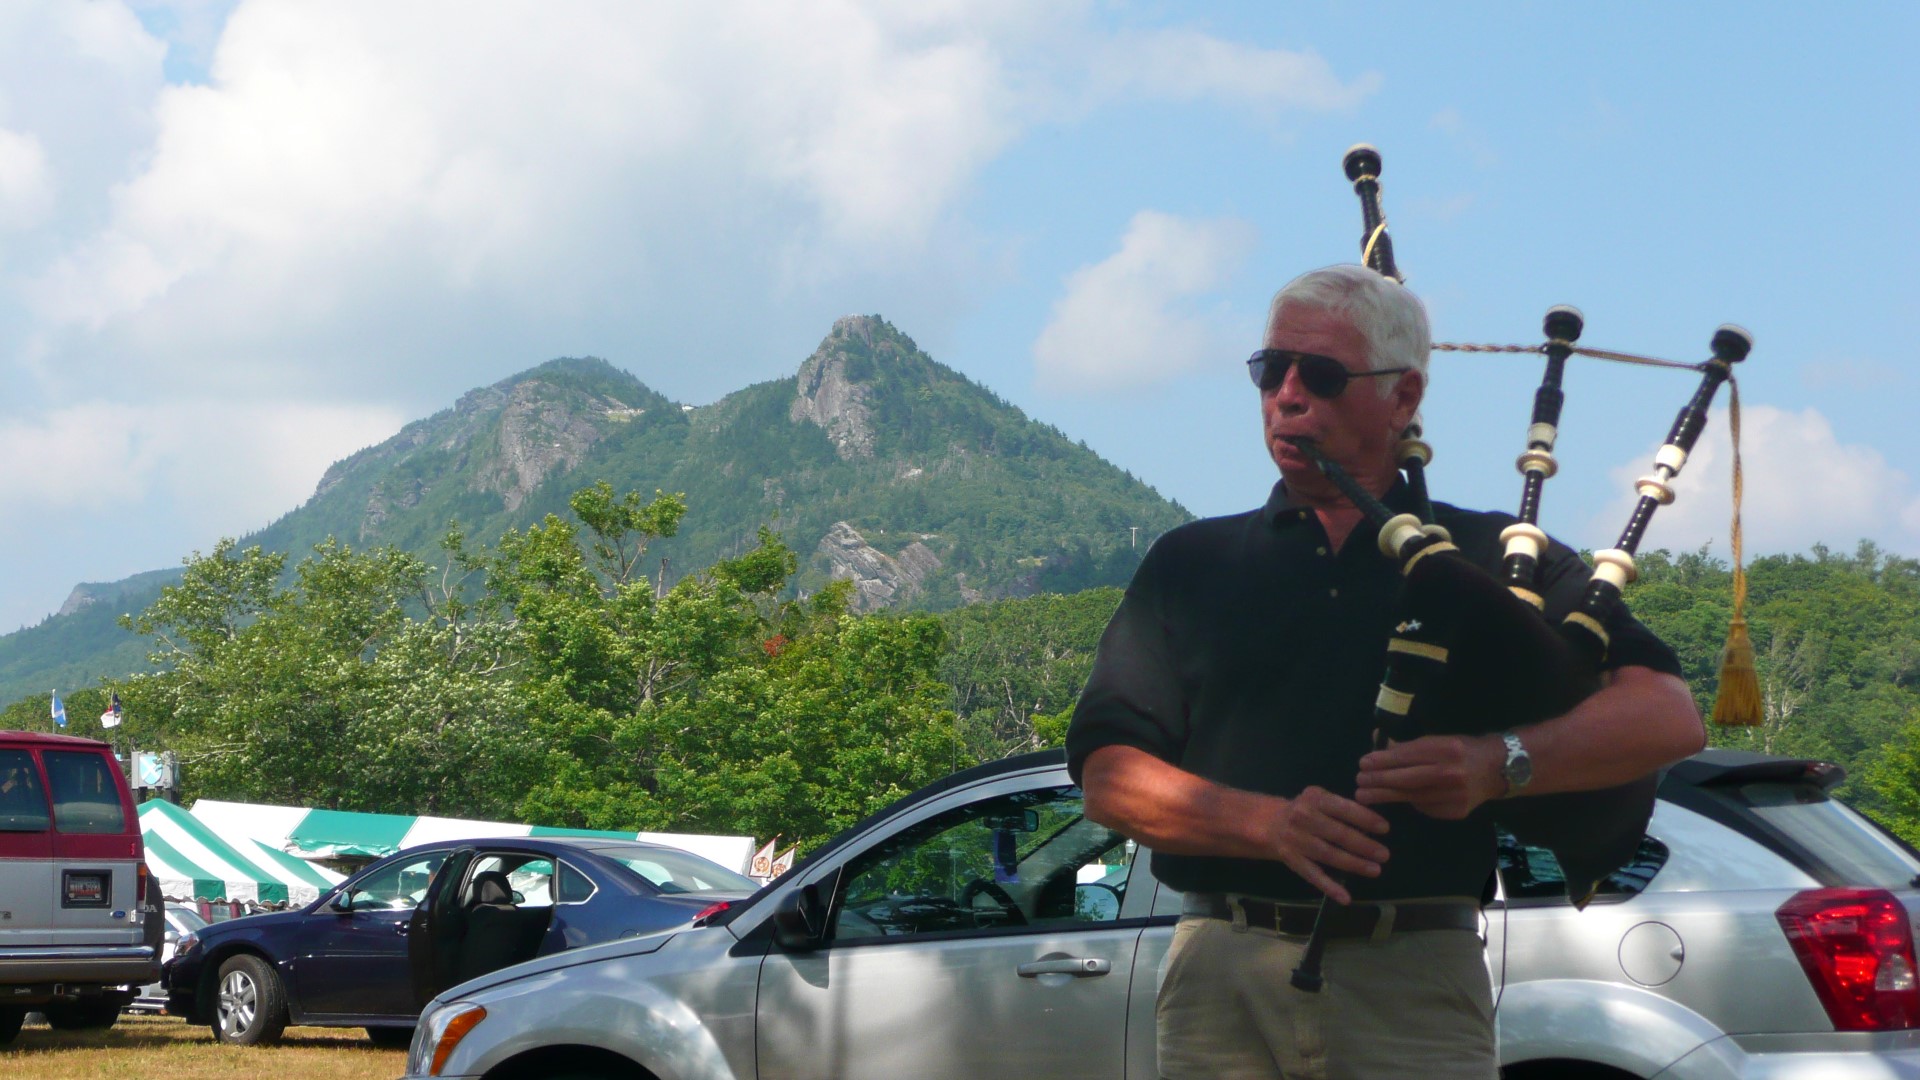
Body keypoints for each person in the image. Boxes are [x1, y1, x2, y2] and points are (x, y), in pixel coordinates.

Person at [1066, 264, 1705, 1080]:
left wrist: (1495, 764)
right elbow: (1109, 777)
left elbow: (1667, 717)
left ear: (1403, 399)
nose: (1288, 395)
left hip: (1414, 974)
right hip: (1220, 976)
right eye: (1272, 370)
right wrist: (1270, 825)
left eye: (1322, 375)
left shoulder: (1490, 558)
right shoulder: (1192, 564)